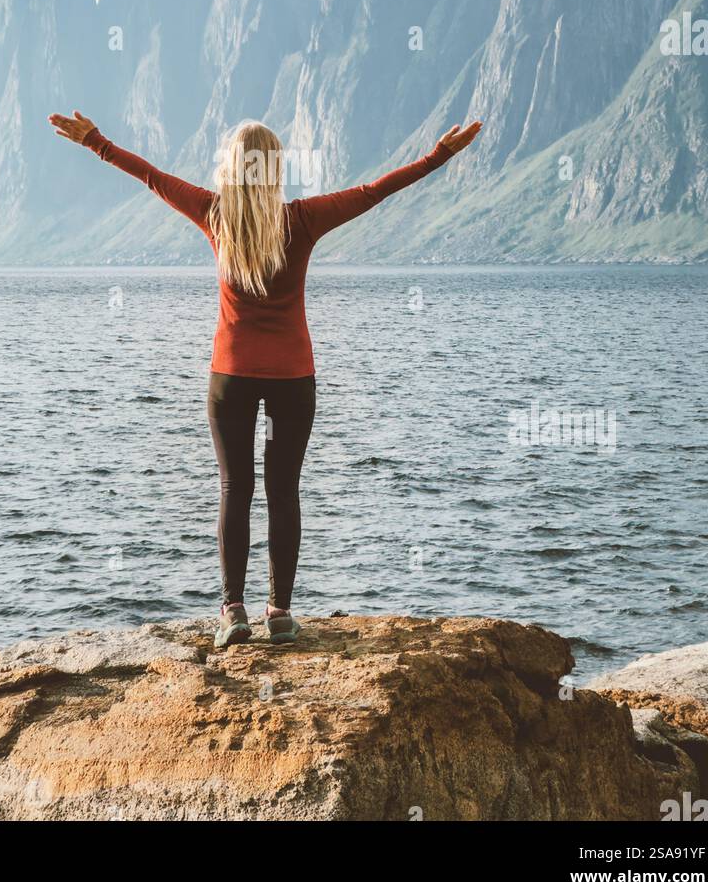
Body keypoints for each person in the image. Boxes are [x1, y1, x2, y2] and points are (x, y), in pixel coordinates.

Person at [48, 109, 482, 647]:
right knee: (283, 491)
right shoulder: (301, 219)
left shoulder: (215, 214)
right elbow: (375, 191)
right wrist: (439, 157)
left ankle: (233, 612)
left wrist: (97, 142)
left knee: (235, 489)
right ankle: (278, 612)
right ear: (275, 168)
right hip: (291, 379)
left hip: (230, 375)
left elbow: (152, 177)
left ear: (231, 166)